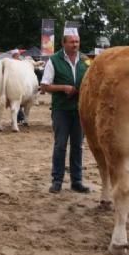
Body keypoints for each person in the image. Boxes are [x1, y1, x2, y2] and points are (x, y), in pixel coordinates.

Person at [40, 27, 90, 194]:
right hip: (61, 110)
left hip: (79, 110)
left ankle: (77, 181)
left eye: (77, 41)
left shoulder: (85, 61)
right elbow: (45, 86)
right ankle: (57, 180)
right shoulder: (53, 60)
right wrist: (63, 88)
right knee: (60, 145)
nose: (75, 45)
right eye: (72, 42)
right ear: (63, 43)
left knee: (78, 146)